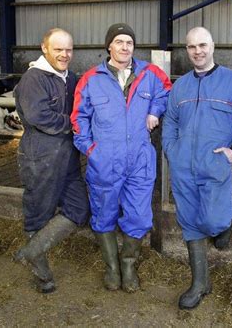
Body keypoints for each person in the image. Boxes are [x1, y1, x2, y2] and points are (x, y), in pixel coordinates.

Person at [162, 27, 232, 309]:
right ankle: (200, 283)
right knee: (189, 223)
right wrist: (172, 149)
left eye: (203, 45)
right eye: (192, 46)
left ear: (213, 46)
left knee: (212, 220)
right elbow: (169, 121)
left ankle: (222, 227)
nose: (198, 51)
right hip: (183, 166)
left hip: (214, 165)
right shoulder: (180, 86)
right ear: (187, 50)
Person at [71, 23, 171, 293]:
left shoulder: (150, 73)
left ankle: (128, 265)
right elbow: (78, 118)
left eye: (129, 42)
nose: (125, 46)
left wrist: (155, 110)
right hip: (105, 160)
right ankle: (111, 268)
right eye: (119, 42)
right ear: (109, 46)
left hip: (139, 159)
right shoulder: (91, 79)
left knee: (139, 216)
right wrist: (91, 150)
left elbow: (166, 90)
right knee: (104, 214)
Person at [14, 28, 90, 293]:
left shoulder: (70, 79)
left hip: (67, 158)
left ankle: (30, 251)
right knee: (38, 213)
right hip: (40, 157)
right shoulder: (34, 78)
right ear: (44, 48)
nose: (64, 54)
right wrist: (74, 124)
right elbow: (38, 116)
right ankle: (42, 274)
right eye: (58, 49)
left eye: (68, 49)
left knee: (79, 208)